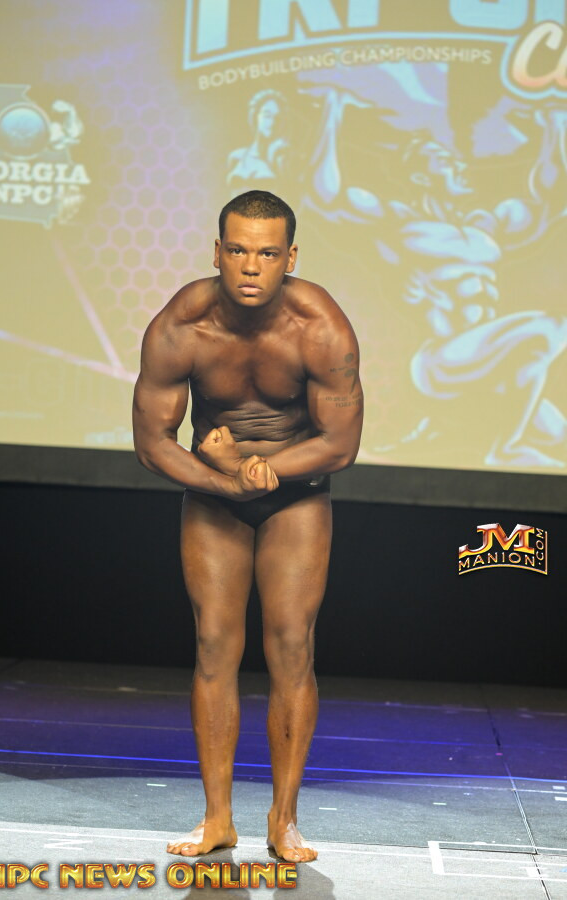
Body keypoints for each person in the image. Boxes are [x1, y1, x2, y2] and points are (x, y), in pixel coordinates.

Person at [132, 190, 363, 863]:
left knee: (291, 644)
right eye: (237, 250)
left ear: (290, 257)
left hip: (297, 495)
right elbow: (152, 443)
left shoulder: (319, 325)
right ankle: (217, 820)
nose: (251, 266)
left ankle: (284, 820)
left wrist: (260, 469)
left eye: (266, 253)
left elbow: (340, 443)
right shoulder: (183, 325)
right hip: (214, 495)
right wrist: (228, 481)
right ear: (217, 252)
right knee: (213, 644)